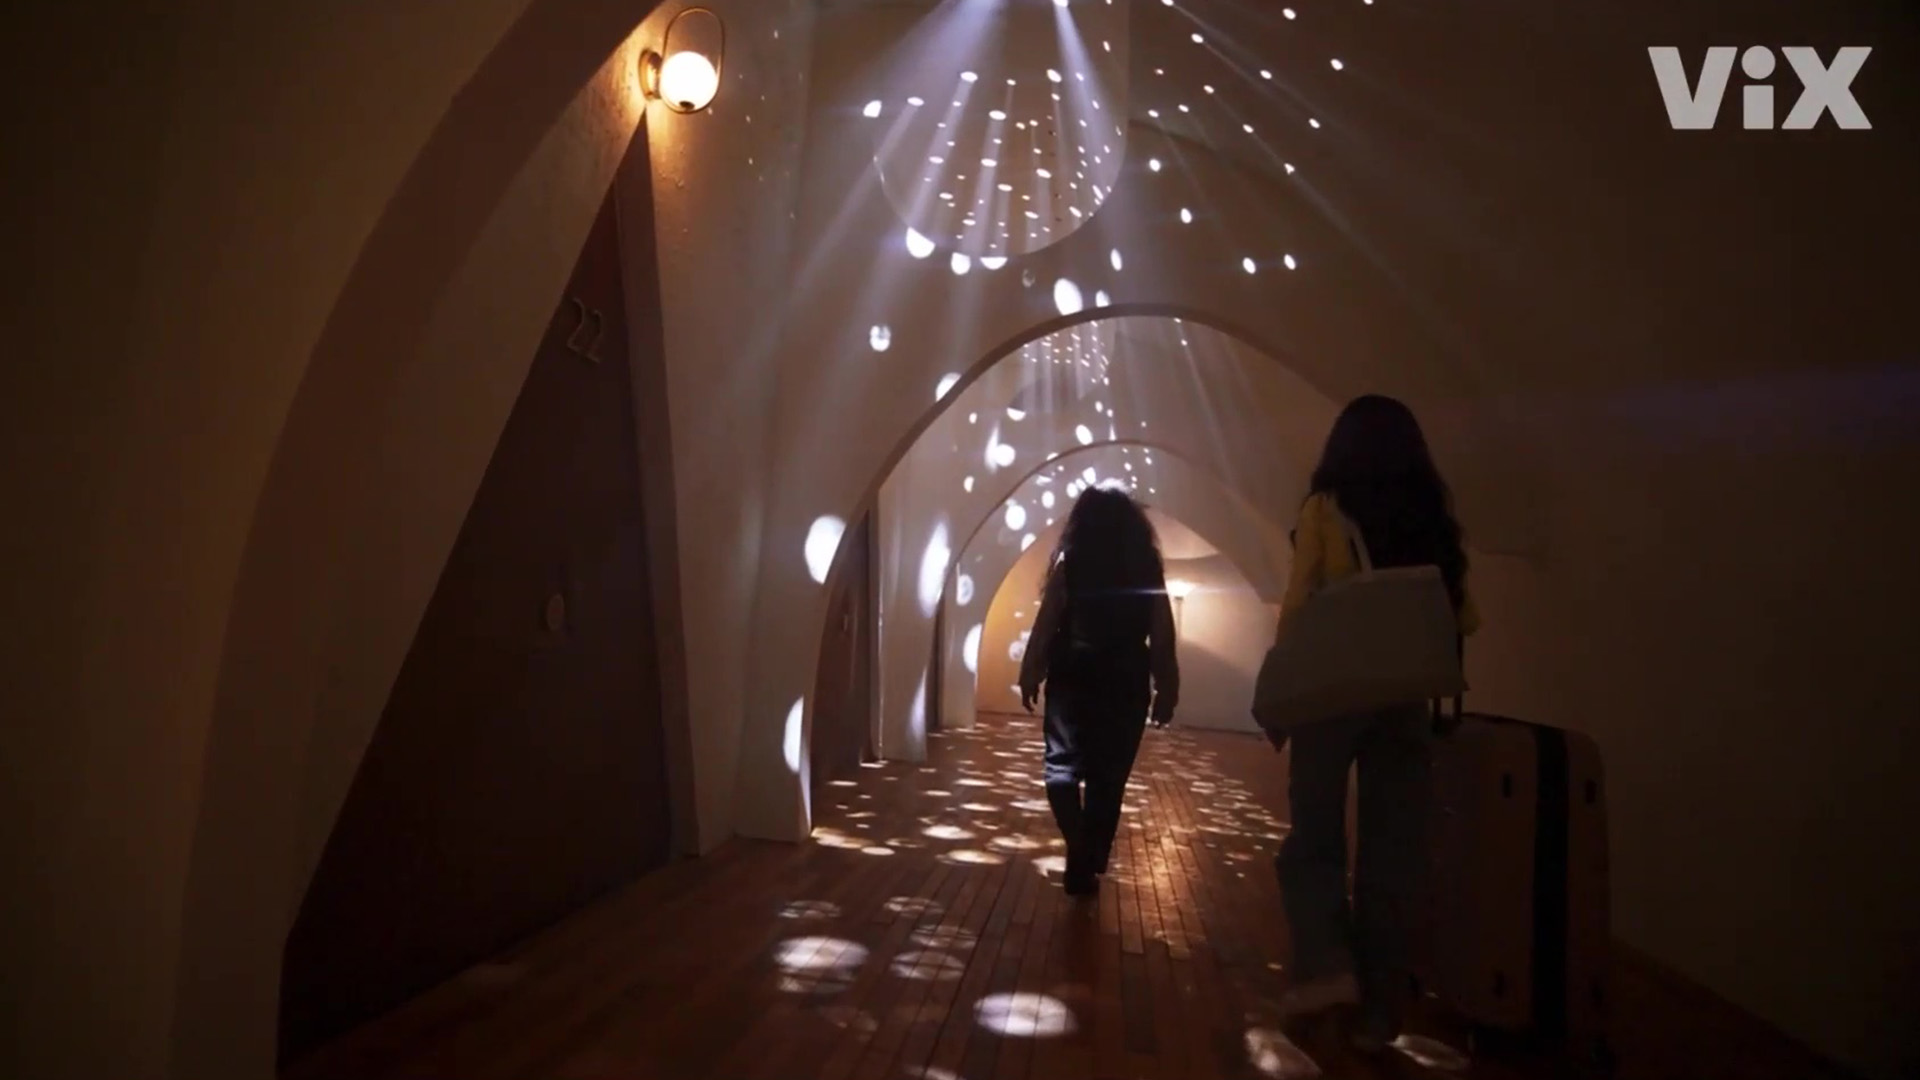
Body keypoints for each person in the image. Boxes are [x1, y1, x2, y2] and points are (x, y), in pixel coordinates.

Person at [1272, 394, 1480, 1052]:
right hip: (1405, 696)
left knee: (1314, 840)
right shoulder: (1431, 520)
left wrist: (1281, 684)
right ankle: (1380, 1013)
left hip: (1331, 693)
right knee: (1393, 853)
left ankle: (1329, 969)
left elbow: (1300, 605)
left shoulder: (1324, 510)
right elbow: (1464, 618)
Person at [1017, 486, 1180, 897]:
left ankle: (1079, 849)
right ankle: (1087, 857)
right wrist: (1167, 686)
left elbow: (1047, 622)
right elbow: (1162, 633)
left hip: (1073, 674)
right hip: (1126, 680)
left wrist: (1031, 670)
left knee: (1061, 769)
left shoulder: (1071, 564)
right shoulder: (1146, 568)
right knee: (1109, 778)